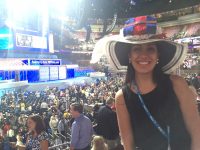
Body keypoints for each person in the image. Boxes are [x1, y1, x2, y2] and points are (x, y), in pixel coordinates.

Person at [91, 15, 200, 150]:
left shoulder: (177, 84)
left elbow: (196, 132)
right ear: (129, 55)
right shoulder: (122, 97)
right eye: (137, 49)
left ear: (158, 54)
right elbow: (128, 144)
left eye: (150, 48)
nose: (144, 55)